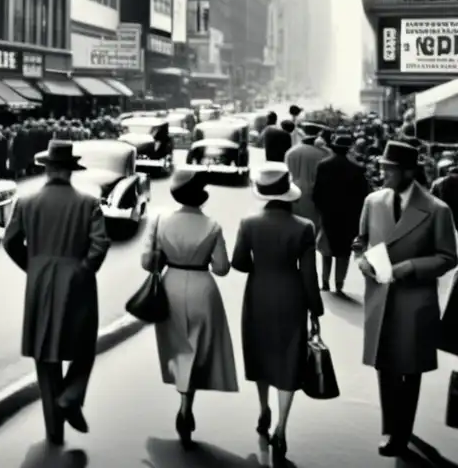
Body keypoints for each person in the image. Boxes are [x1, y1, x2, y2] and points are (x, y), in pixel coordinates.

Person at [352, 140, 458, 456]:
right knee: (384, 365)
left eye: (388, 169)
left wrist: (411, 266)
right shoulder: (373, 201)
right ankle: (390, 429)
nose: (381, 174)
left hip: (415, 301)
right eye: (382, 168)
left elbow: (448, 257)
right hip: (380, 298)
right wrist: (361, 261)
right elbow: (360, 241)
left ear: (409, 172)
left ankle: (401, 432)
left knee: (409, 370)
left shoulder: (438, 210)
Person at [2, 140, 110, 446]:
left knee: (45, 355)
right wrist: (84, 269)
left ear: (47, 170)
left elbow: (10, 242)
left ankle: (54, 432)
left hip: (39, 281)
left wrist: (33, 267)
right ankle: (72, 395)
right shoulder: (88, 204)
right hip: (78, 281)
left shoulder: (26, 203)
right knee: (84, 347)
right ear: (70, 171)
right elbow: (101, 243)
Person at [232, 162, 323, 462]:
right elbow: (309, 276)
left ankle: (263, 409)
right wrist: (315, 311)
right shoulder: (304, 228)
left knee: (261, 353)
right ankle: (282, 427)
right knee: (287, 359)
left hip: (258, 294)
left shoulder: (248, 223)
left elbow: (239, 263)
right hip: (291, 297)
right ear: (289, 195)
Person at [141, 168, 237, 449]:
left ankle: (183, 400)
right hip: (202, 288)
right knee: (196, 349)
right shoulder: (213, 226)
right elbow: (222, 269)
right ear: (202, 196)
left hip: (170, 286)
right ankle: (186, 404)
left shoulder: (160, 221)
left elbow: (147, 263)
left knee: (179, 348)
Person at [311, 134, 370, 293]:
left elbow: (316, 192)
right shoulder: (357, 168)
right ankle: (339, 284)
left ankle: (325, 281)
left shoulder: (323, 165)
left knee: (326, 249)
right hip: (349, 216)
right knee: (344, 251)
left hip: (328, 213)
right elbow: (363, 194)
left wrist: (320, 209)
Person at [285, 123, 327, 235]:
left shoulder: (290, 152)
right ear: (318, 135)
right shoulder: (323, 154)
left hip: (294, 194)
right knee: (313, 229)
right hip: (314, 195)